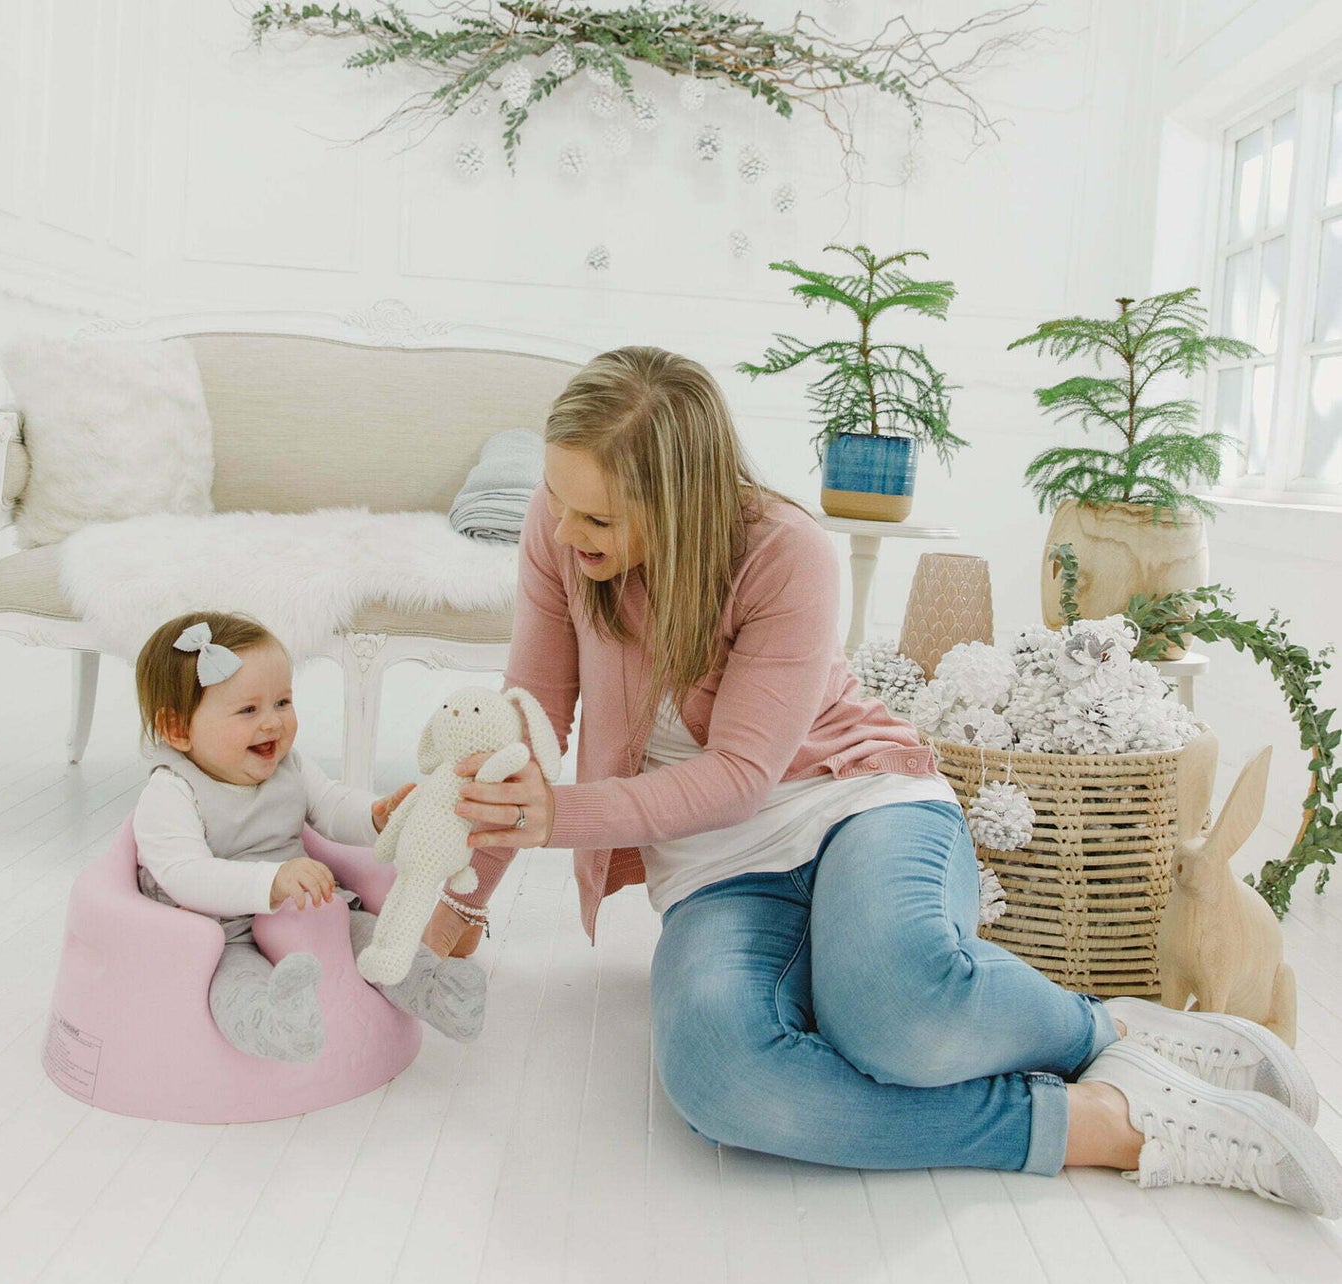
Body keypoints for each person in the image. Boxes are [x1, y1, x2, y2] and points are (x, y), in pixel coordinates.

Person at [420, 345, 1342, 1216]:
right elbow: (524, 722)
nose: (564, 530)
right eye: (557, 500)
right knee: (717, 1074)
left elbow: (742, 774)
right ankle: (1098, 1122)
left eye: (598, 518)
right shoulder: (558, 532)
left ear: (683, 502)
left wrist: (559, 818)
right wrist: (460, 901)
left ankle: (1106, 1035)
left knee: (895, 1010)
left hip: (856, 802)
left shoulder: (784, 551)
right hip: (716, 869)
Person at [132, 611, 486, 1061]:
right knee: (234, 987)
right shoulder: (172, 790)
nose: (273, 723)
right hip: (224, 931)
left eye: (282, 702)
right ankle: (279, 1024)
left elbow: (331, 807)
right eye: (248, 710)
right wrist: (271, 882)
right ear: (178, 729)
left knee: (379, 941)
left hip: (309, 907)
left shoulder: (289, 766)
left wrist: (376, 816)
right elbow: (185, 874)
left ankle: (441, 996)